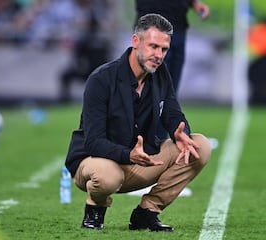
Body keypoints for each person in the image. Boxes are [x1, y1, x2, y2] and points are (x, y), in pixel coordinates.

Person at [64, 13, 212, 232]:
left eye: (163, 49)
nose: (159, 55)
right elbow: (93, 142)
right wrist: (128, 155)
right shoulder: (101, 79)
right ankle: (95, 209)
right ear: (135, 41)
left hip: (142, 161)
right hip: (97, 161)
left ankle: (146, 213)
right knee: (107, 176)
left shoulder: (160, 74)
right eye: (153, 47)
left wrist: (180, 132)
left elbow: (172, 113)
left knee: (199, 146)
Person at [134, 0, 210, 139]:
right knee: (150, 91)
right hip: (152, 29)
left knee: (168, 93)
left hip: (178, 28)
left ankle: (158, 143)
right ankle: (143, 141)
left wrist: (195, 4)